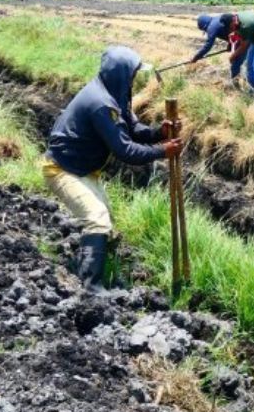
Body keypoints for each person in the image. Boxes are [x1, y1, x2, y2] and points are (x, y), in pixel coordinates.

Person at [43, 45, 184, 289]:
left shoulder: (115, 94)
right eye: (132, 74)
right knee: (97, 219)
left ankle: (98, 270)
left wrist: (158, 133)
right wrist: (163, 150)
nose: (134, 79)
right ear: (121, 73)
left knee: (106, 219)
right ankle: (91, 288)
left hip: (84, 169)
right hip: (63, 170)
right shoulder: (101, 103)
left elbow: (133, 130)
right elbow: (125, 150)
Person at [191, 13, 243, 86]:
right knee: (238, 61)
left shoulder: (212, 27)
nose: (206, 31)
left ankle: (236, 84)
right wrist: (230, 44)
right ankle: (238, 79)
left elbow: (208, 46)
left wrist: (196, 57)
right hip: (240, 38)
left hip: (243, 40)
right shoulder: (216, 20)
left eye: (205, 30)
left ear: (205, 26)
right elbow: (229, 32)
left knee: (236, 62)